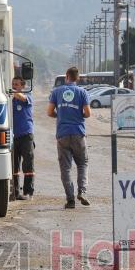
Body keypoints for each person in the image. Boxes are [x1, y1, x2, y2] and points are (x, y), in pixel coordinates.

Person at [47, 66, 91, 209]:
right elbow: (88, 113)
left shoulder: (56, 92)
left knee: (65, 168)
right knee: (82, 164)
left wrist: (59, 115)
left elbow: (49, 112)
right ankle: (82, 192)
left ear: (66, 76)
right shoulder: (82, 92)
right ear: (77, 78)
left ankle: (70, 199)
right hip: (79, 133)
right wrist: (79, 116)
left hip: (62, 134)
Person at [11, 76, 34, 200]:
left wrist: (11, 92)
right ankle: (15, 192)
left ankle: (28, 191)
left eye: (16, 84)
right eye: (13, 84)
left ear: (23, 86)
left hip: (26, 135)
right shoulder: (11, 99)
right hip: (13, 136)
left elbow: (22, 98)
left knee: (28, 164)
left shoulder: (27, 95)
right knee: (14, 165)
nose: (14, 86)